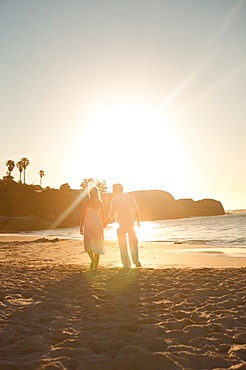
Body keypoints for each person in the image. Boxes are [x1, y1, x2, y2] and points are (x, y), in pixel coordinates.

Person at [105, 183, 141, 269]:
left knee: (122, 244)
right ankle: (136, 262)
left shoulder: (115, 200)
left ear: (117, 190)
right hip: (130, 224)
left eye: (113, 190)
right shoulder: (130, 197)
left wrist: (105, 222)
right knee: (133, 242)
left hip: (120, 225)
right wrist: (138, 222)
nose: (113, 192)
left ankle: (126, 263)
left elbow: (111, 214)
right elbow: (136, 210)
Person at [80, 186, 105, 270]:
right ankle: (96, 266)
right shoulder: (100, 202)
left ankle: (93, 260)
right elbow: (102, 216)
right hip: (97, 225)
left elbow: (83, 215)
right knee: (97, 245)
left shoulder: (86, 202)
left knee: (88, 244)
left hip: (89, 225)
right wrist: (104, 224)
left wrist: (81, 226)